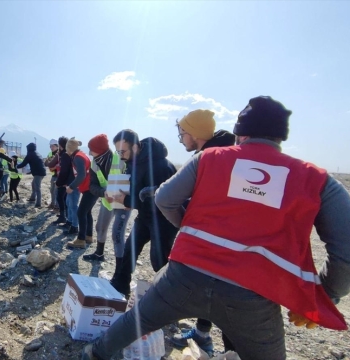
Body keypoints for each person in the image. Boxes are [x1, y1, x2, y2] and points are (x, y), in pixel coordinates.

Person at [83, 96, 350, 360]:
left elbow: (164, 198)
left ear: (240, 133)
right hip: (253, 295)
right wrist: (323, 294)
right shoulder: (316, 180)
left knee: (138, 320)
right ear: (281, 137)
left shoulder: (209, 158)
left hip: (185, 276)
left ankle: (94, 354)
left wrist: (189, 229)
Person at [169, 109, 236, 353]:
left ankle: (231, 353)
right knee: (215, 297)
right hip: (223, 236)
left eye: (182, 133)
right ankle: (202, 334)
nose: (181, 138)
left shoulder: (210, 158)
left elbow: (168, 198)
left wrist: (182, 222)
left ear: (194, 133)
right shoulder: (221, 152)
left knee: (228, 303)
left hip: (222, 240)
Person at [107, 129, 178, 297]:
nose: (120, 155)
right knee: (129, 250)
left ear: (136, 147)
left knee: (159, 260)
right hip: (145, 217)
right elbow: (135, 191)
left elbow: (159, 200)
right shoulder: (133, 162)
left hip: (163, 220)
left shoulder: (160, 166)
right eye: (117, 152)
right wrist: (120, 197)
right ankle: (120, 286)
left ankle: (171, 297)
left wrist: (126, 201)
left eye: (122, 151)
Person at [82, 134, 131, 261]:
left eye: (91, 149)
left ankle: (121, 267)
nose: (90, 152)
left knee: (117, 234)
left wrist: (129, 200)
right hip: (107, 201)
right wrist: (103, 192)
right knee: (100, 228)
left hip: (123, 203)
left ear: (99, 150)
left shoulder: (120, 159)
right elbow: (92, 185)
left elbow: (132, 179)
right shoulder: (94, 164)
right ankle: (99, 254)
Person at [66, 138, 93, 248]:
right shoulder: (82, 154)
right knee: (87, 212)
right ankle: (88, 236)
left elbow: (81, 175)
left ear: (69, 148)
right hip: (91, 187)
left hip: (89, 188)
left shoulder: (78, 157)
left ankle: (81, 240)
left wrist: (71, 186)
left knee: (81, 212)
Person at [17, 142, 47, 208]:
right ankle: (32, 198)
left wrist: (16, 166)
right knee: (33, 184)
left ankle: (38, 204)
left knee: (37, 187)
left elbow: (23, 163)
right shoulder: (37, 153)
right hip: (41, 172)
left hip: (38, 173)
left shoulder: (30, 154)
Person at [53, 137, 73, 226]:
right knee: (65, 199)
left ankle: (63, 217)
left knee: (60, 198)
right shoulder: (68, 153)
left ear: (60, 145)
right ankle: (65, 215)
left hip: (64, 181)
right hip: (68, 181)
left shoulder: (64, 155)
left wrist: (58, 183)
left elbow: (64, 171)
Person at [44, 139, 60, 210]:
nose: (51, 148)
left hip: (59, 175)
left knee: (56, 191)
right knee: (52, 190)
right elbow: (46, 163)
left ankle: (57, 205)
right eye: (50, 146)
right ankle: (52, 203)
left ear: (57, 146)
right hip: (54, 174)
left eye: (53, 146)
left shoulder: (60, 153)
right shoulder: (50, 154)